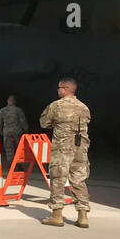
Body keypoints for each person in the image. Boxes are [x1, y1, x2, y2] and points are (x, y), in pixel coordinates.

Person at [39, 78, 91, 228]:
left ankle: (57, 215)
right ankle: (83, 216)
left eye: (59, 88)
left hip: (62, 148)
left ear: (64, 89)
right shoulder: (84, 107)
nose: (57, 90)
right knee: (79, 179)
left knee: (58, 178)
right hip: (80, 149)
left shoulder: (56, 106)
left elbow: (44, 123)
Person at [0, 95, 28, 173]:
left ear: (8, 101)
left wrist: (1, 131)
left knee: (9, 151)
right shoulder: (18, 110)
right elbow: (23, 122)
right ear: (15, 102)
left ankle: (12, 168)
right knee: (19, 150)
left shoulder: (2, 110)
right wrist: (26, 131)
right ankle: (19, 167)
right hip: (17, 133)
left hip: (7, 133)